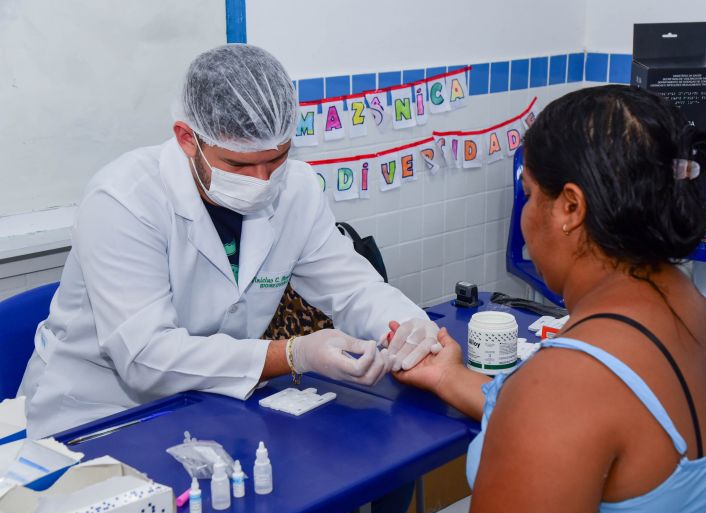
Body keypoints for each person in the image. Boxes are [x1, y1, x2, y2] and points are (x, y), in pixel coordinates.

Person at [19, 44, 440, 438]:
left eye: (276, 158)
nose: (262, 180)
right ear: (188, 138)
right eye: (238, 164)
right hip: (96, 415)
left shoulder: (297, 189)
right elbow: (145, 357)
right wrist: (294, 355)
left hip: (214, 404)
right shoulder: (123, 200)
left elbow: (353, 288)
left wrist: (409, 327)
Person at [394, 85, 706, 513]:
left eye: (528, 194)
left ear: (570, 207)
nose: (525, 216)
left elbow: (563, 407)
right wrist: (448, 376)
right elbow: (599, 424)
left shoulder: (564, 387)